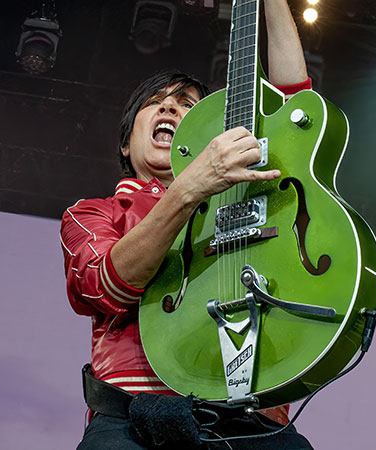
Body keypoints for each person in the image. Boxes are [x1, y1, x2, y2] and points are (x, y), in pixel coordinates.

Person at [60, 1, 314, 448]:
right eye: (154, 103)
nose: (170, 108)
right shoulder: (92, 213)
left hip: (249, 414)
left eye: (186, 106)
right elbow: (105, 288)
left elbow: (294, 108)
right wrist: (189, 188)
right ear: (125, 143)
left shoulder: (236, 200)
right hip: (132, 416)